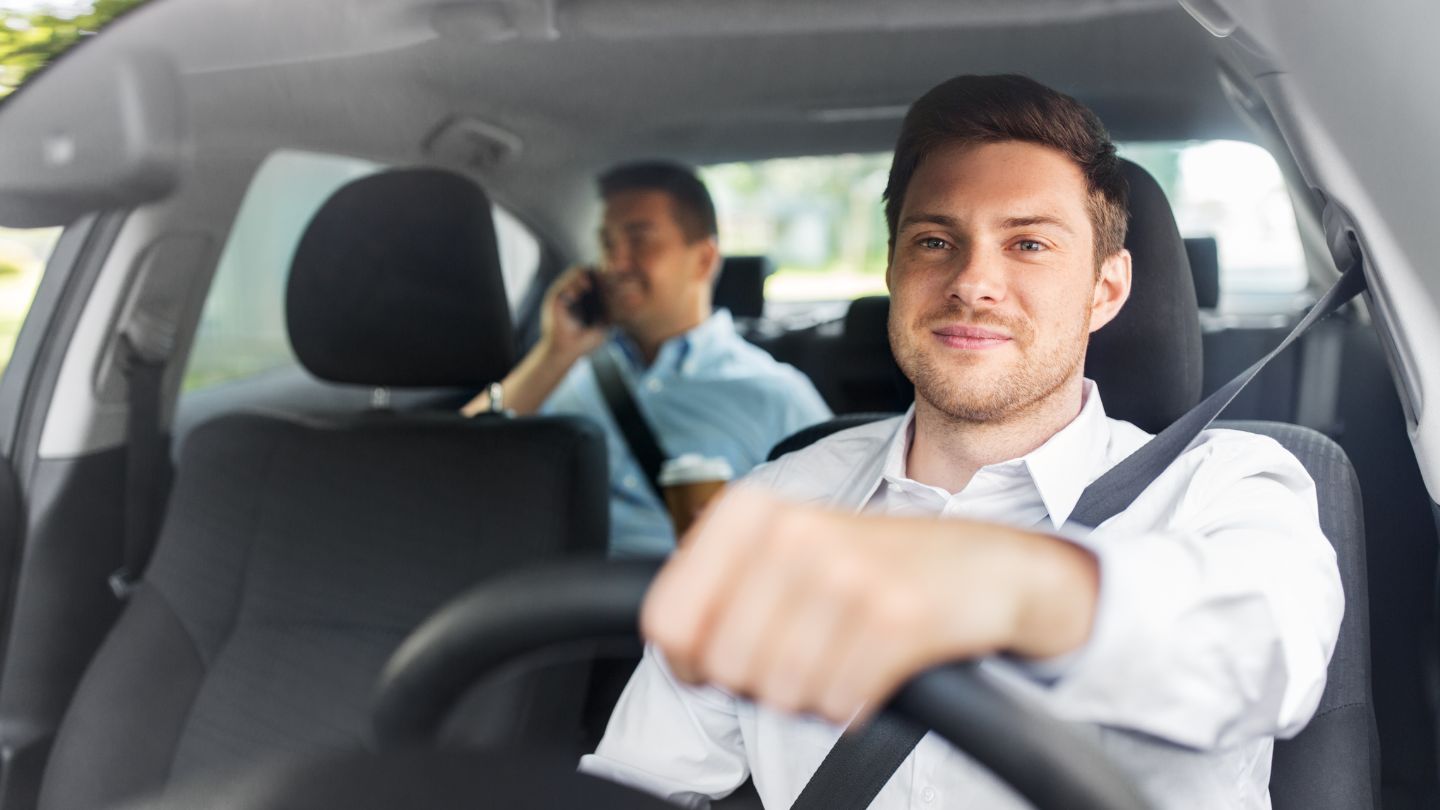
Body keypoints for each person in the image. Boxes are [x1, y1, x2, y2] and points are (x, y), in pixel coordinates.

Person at [580, 75, 1343, 808]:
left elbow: (1266, 653)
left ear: (1106, 289)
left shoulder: (1229, 485)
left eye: (1029, 245)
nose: (974, 281)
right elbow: (637, 783)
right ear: (892, 269)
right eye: (936, 242)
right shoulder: (779, 500)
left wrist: (1002, 587)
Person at [462, 162, 831, 557]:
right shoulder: (565, 371)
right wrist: (555, 353)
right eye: (606, 243)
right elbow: (450, 463)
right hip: (549, 600)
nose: (614, 264)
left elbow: (834, 543)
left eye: (640, 240)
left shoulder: (778, 395)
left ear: (704, 260)